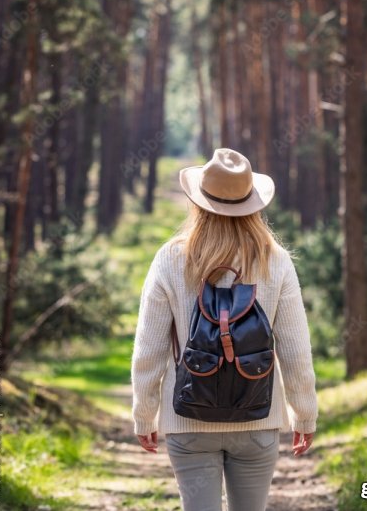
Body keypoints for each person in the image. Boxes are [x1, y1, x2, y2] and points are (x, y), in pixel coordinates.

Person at [131, 147, 318, 511]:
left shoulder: (170, 259)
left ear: (198, 203)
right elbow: (296, 349)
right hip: (257, 417)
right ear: (253, 205)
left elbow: (149, 348)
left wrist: (144, 414)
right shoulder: (275, 260)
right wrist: (304, 412)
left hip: (189, 419)